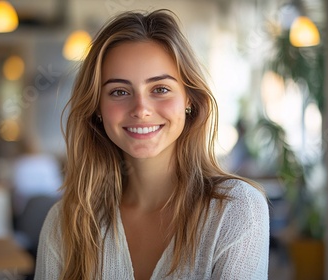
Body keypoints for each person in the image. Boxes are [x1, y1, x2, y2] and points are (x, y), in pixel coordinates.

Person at [35, 9, 269, 280]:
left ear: (189, 100)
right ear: (97, 108)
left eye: (160, 89)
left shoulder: (236, 210)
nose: (141, 109)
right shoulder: (65, 223)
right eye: (119, 92)